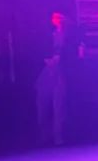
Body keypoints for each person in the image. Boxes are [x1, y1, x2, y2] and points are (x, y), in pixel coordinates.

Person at [35, 10, 83, 146]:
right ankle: (45, 137)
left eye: (60, 18)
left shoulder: (72, 36)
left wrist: (61, 60)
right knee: (43, 103)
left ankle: (59, 137)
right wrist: (47, 60)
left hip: (62, 71)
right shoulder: (49, 35)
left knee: (59, 105)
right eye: (55, 18)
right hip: (48, 71)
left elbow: (77, 55)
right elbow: (41, 51)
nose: (58, 20)